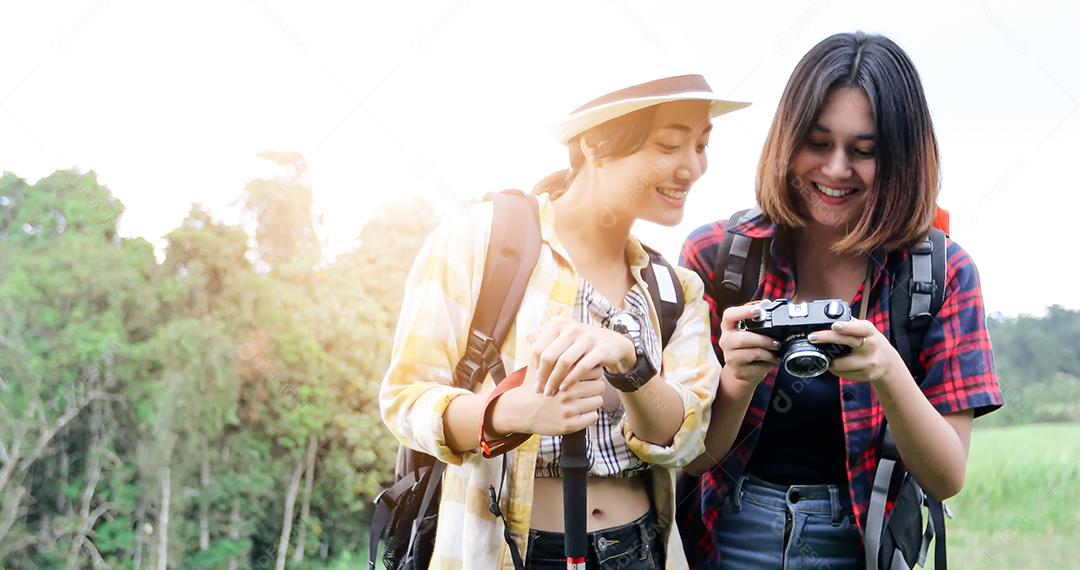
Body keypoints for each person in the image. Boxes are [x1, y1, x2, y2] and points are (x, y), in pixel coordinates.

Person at [380, 74, 748, 569]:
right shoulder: (480, 239)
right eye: (669, 145)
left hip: (637, 550)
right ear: (596, 144)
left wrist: (630, 364)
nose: (692, 167)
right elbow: (406, 399)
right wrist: (508, 412)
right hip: (506, 550)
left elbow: (683, 437)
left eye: (701, 146)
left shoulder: (675, 288)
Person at [677, 32, 1003, 568]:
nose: (835, 169)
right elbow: (691, 459)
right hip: (723, 538)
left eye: (865, 151)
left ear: (902, 159)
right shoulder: (720, 258)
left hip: (863, 546)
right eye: (818, 142)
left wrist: (887, 373)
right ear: (787, 140)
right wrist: (737, 381)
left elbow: (945, 479)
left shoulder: (939, 274)